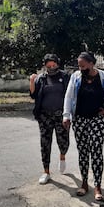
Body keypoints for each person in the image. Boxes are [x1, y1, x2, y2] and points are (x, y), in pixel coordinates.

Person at [62, 52, 104, 202]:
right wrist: (66, 115)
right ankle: (84, 183)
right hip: (80, 119)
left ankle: (97, 186)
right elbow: (68, 97)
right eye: (79, 66)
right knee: (83, 151)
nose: (80, 68)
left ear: (91, 63)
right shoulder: (75, 77)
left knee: (96, 150)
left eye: (83, 65)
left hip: (97, 119)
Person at [30, 54, 70, 185]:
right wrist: (32, 81)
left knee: (63, 141)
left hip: (61, 116)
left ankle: (62, 156)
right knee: (45, 144)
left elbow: (70, 95)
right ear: (45, 65)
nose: (52, 67)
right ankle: (46, 171)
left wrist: (69, 113)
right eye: (49, 65)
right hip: (44, 116)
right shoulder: (41, 78)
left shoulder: (64, 77)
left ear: (58, 64)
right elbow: (33, 95)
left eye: (54, 65)